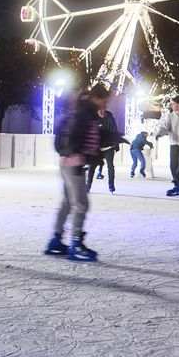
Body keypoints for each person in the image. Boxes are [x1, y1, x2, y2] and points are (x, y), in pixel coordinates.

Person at [44, 83, 110, 261]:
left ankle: (56, 240)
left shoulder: (84, 111)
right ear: (95, 98)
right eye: (104, 101)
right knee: (81, 204)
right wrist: (80, 155)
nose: (105, 105)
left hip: (69, 162)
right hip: (74, 163)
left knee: (68, 202)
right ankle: (76, 243)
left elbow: (89, 137)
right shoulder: (84, 113)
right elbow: (74, 136)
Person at [86, 107, 127, 194]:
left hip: (108, 147)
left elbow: (114, 131)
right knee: (92, 167)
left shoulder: (110, 119)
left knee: (110, 166)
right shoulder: (94, 118)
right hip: (97, 148)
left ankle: (111, 185)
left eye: (102, 109)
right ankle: (88, 185)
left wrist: (115, 145)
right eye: (99, 110)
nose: (101, 111)